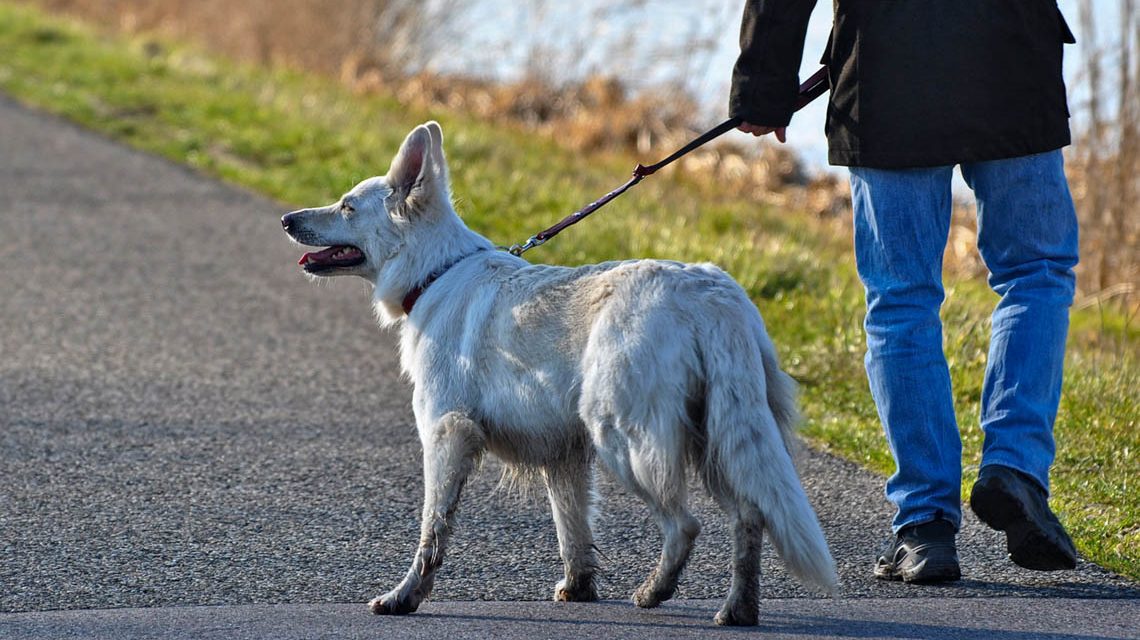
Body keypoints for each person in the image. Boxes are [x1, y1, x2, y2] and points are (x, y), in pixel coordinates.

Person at [730, 0, 1080, 583]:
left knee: (901, 301)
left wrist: (763, 84)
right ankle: (1014, 467)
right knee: (1036, 273)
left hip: (888, 75)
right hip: (1010, 59)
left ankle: (924, 527)